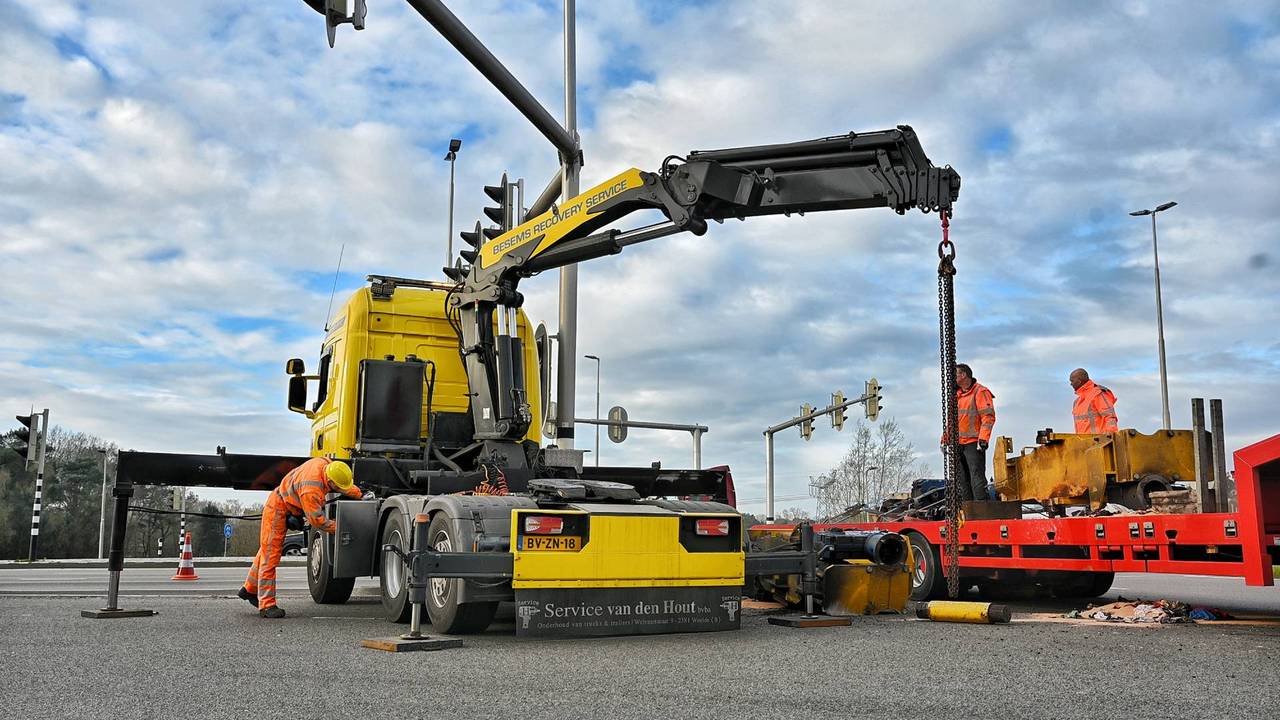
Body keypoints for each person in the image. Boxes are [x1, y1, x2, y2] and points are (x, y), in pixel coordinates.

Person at [239, 456, 363, 618]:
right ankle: (267, 605)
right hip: (278, 509)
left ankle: (249, 589)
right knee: (271, 557)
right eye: (335, 486)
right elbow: (318, 521)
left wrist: (359, 494)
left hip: (284, 504)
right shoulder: (311, 490)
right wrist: (340, 528)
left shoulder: (325, 465)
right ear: (330, 481)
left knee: (265, 551)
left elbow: (342, 486)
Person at [942, 363, 996, 502]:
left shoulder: (980, 392)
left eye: (955, 374)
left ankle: (981, 510)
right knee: (962, 481)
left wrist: (983, 439)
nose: (952, 378)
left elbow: (988, 417)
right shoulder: (958, 395)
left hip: (973, 444)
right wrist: (945, 439)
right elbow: (952, 420)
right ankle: (968, 512)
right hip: (958, 444)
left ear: (963, 375)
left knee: (976, 478)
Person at [1070, 368, 1119, 433]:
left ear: (1079, 381)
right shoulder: (1077, 402)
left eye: (1072, 381)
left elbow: (1110, 416)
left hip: (1100, 442)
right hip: (1084, 442)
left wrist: (1111, 436)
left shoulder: (1097, 393)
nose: (1071, 384)